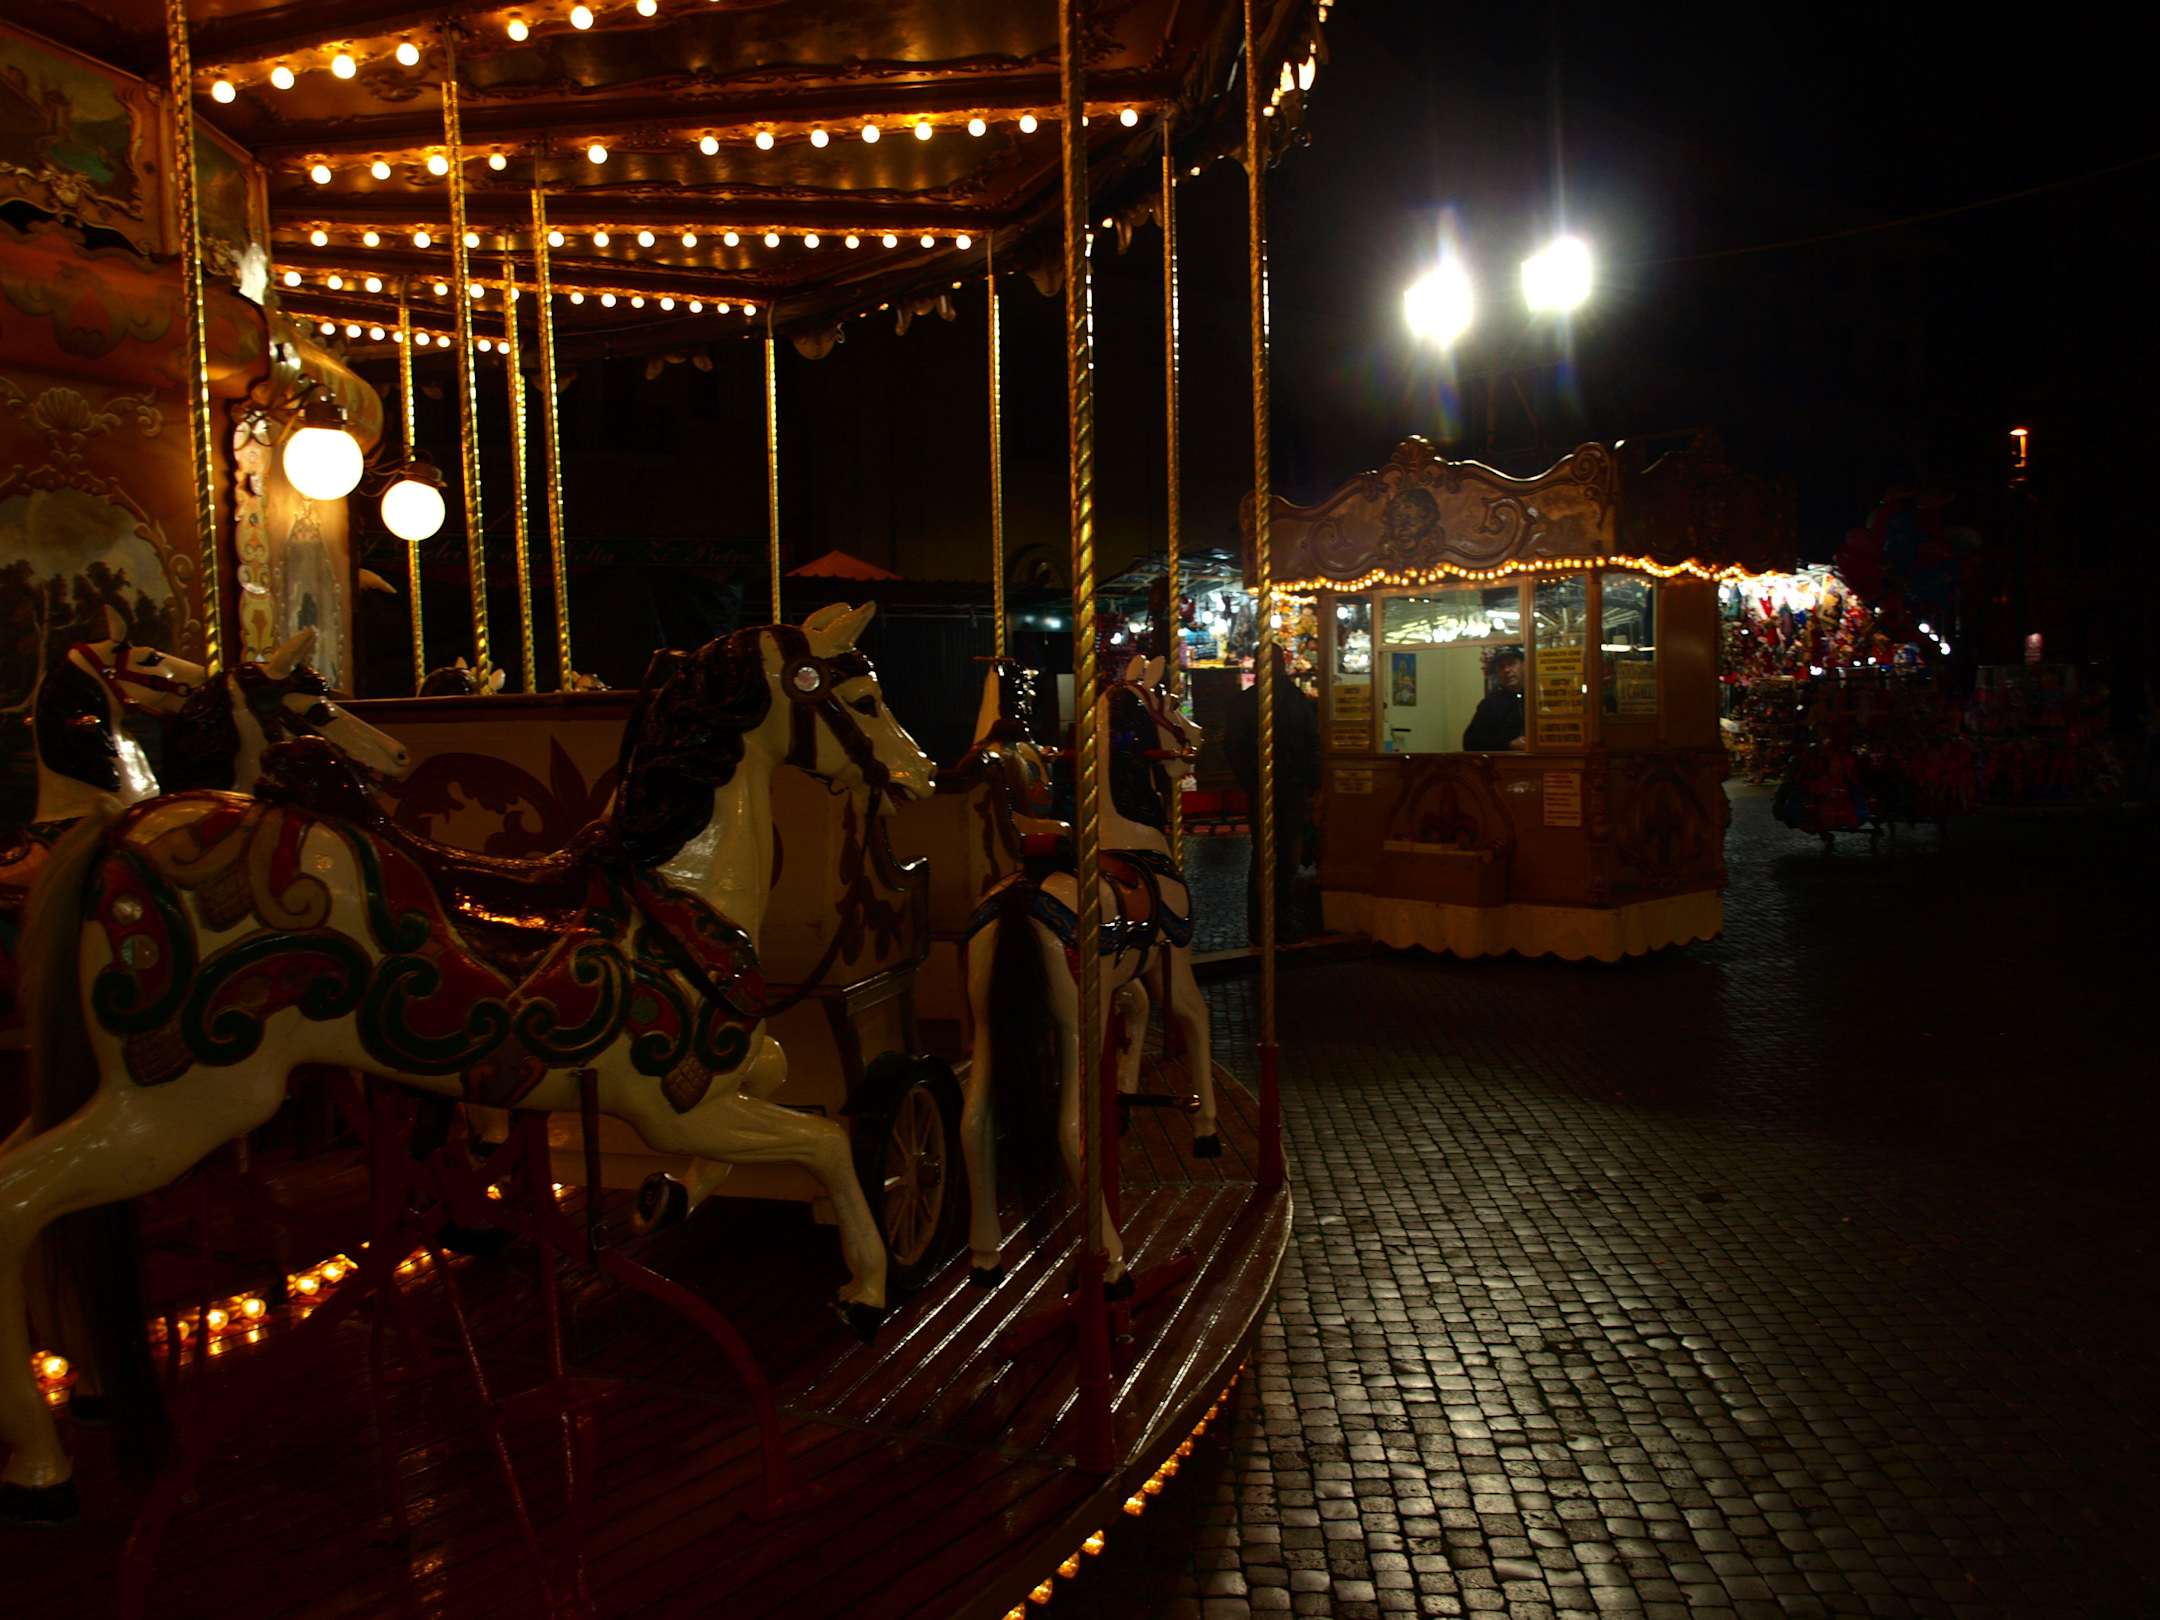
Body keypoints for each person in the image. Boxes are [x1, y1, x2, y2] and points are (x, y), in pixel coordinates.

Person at [1226, 644, 1321, 945]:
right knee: (1277, 856)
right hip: (1281, 787)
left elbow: (1310, 744)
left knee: (1274, 856)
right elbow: (1311, 743)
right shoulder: (1291, 700)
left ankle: (1269, 920)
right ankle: (1272, 920)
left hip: (1282, 787)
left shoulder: (1271, 701)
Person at [1462, 646, 1527, 751]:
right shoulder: (1490, 704)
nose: (1506, 670)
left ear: (1524, 665)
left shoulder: (1539, 698)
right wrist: (1509, 745)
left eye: (1511, 663)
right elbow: (1470, 742)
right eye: (1501, 666)